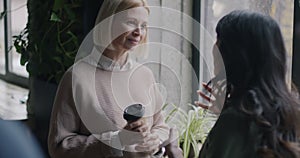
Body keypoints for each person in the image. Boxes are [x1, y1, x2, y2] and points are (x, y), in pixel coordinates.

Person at [48, 0, 170, 157]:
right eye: (131, 22)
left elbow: (160, 125)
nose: (139, 31)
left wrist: (155, 141)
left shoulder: (145, 74)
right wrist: (116, 141)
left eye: (144, 25)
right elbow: (59, 148)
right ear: (108, 22)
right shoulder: (76, 77)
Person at [195, 10, 300, 158]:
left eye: (219, 39)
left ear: (235, 54)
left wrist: (175, 153)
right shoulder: (290, 113)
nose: (214, 47)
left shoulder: (237, 120)